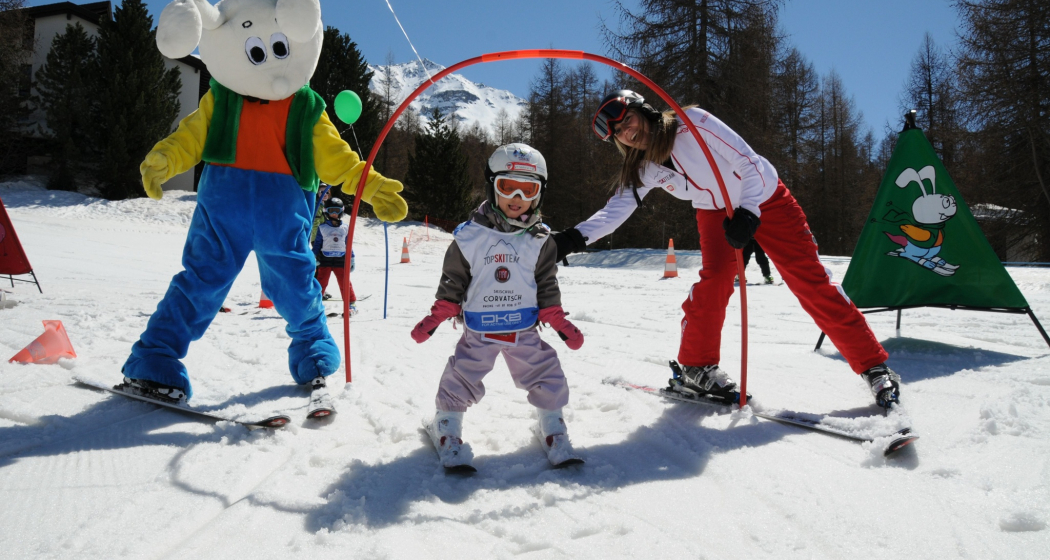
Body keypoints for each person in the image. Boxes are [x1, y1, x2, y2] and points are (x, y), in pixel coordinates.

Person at [552, 90, 901, 408]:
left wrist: (749, 211)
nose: (629, 133)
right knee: (716, 279)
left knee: (810, 281)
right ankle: (695, 365)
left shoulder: (693, 124)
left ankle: (874, 367)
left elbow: (750, 164)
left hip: (765, 198)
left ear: (644, 111)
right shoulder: (643, 168)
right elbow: (616, 211)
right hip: (715, 211)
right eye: (619, 133)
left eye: (628, 120)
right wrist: (570, 239)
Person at [411, 143, 585, 468]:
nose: (517, 198)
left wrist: (554, 314)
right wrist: (443, 309)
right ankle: (447, 425)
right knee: (462, 376)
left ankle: (553, 426)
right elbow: (454, 278)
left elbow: (546, 281)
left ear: (539, 194)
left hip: (523, 327)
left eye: (528, 189)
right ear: (493, 186)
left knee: (546, 372)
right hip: (481, 328)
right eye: (508, 187)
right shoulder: (469, 237)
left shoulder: (540, 240)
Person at [313, 197, 357, 315]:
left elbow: (348, 244)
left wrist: (352, 258)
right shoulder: (322, 227)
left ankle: (351, 304)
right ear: (326, 211)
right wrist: (313, 257)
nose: (334, 214)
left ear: (341, 211)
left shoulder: (345, 228)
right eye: (331, 210)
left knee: (344, 282)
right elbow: (317, 244)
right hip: (325, 259)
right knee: (321, 282)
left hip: (341, 259)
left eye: (336, 211)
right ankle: (314, 305)